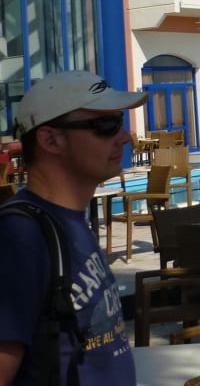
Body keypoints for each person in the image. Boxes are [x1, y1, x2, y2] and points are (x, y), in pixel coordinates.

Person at [0, 71, 147, 386]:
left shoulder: (67, 221)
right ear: (50, 140)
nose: (124, 138)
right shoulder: (19, 236)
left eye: (119, 123)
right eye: (105, 127)